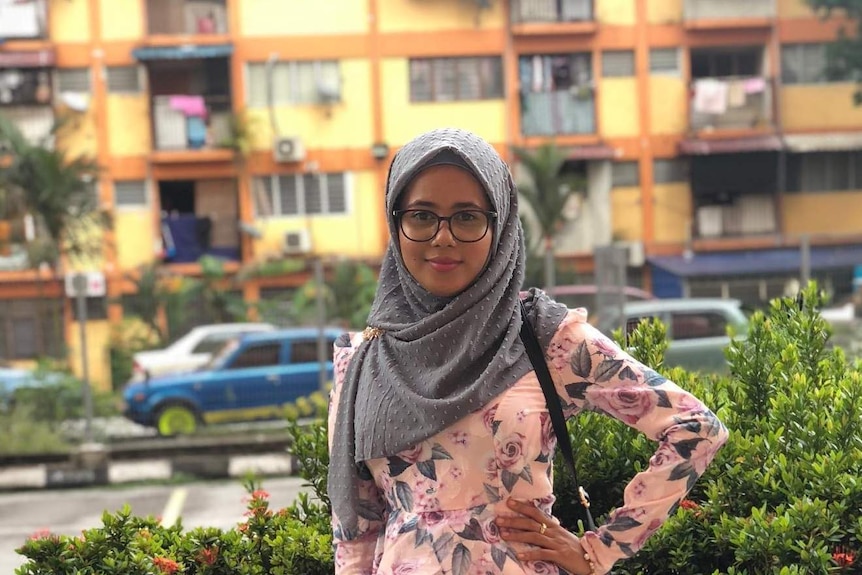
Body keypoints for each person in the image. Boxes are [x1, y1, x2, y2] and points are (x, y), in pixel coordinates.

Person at [327, 127, 728, 575]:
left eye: (467, 217)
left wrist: (600, 550)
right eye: (422, 216)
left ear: (499, 225)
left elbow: (695, 428)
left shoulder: (541, 337)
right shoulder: (365, 360)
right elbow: (356, 531)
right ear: (395, 222)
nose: (443, 238)